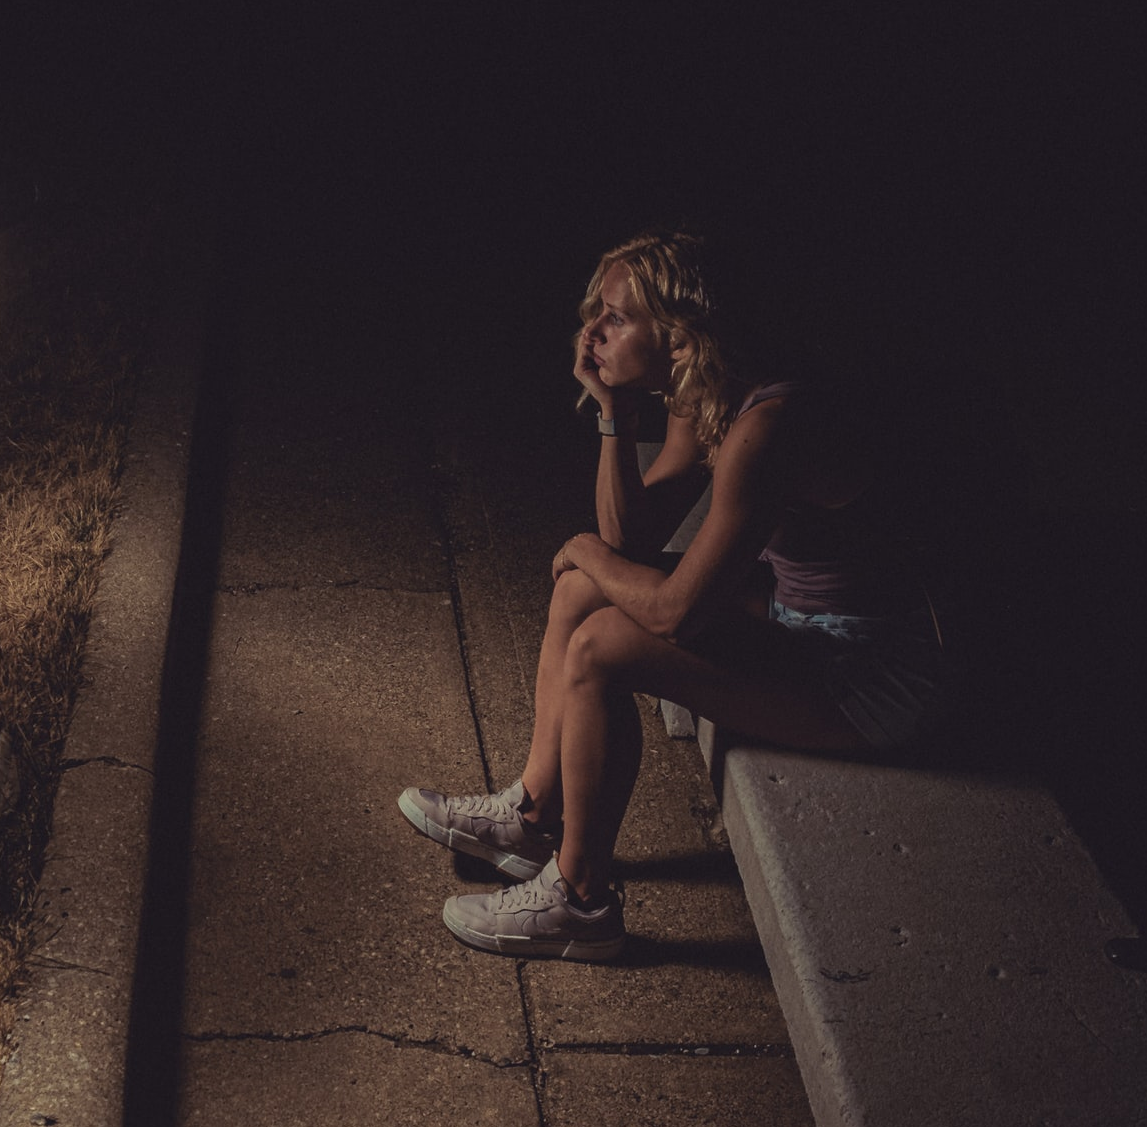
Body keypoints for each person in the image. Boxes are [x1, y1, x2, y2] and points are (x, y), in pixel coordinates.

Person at [399, 231, 944, 961]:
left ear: (681, 338)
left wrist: (585, 552)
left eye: (616, 317)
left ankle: (582, 901)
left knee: (601, 647)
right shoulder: (709, 391)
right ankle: (531, 816)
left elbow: (675, 613)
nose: (591, 330)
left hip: (872, 675)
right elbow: (630, 538)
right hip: (803, 617)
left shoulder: (766, 426)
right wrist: (614, 414)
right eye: (596, 311)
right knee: (581, 595)